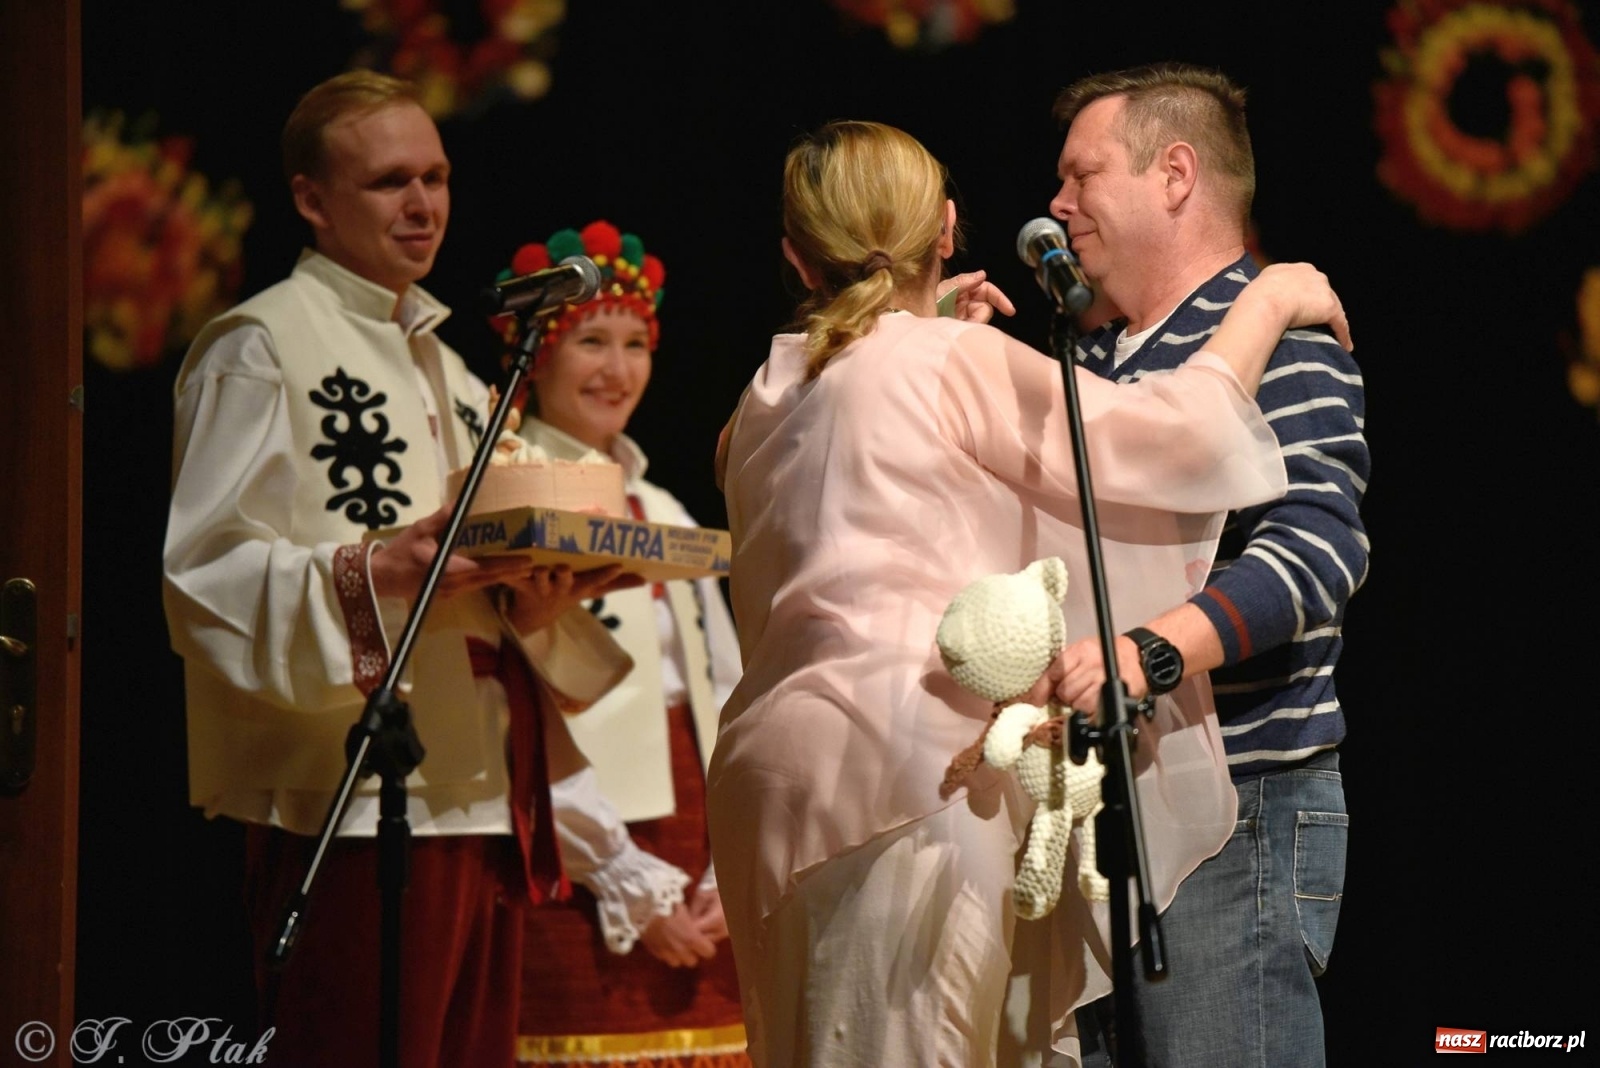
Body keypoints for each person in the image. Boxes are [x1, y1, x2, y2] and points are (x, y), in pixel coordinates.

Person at [706, 119, 1353, 1068]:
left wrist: (925, 331)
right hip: (903, 773)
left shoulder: (757, 402)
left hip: (764, 784)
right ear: (947, 228)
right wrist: (1271, 297)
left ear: (797, 257)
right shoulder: (947, 359)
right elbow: (1174, 438)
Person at [161, 71, 637, 1068]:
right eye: (390, 182)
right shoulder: (258, 345)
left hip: (481, 782)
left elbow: (475, 566)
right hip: (350, 799)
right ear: (311, 198)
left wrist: (538, 591)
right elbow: (205, 577)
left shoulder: (450, 369)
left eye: (436, 177)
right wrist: (380, 569)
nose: (423, 206)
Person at [1045, 63, 1369, 1068]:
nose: (1058, 205)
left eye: (1082, 176)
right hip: (1105, 818)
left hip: (1239, 811)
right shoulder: (1092, 362)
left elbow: (1316, 549)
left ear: (1174, 175)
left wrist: (1150, 652)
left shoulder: (1283, 333)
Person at [487, 221, 750, 1067]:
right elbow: (507, 713)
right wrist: (625, 877)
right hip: (575, 846)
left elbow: (730, 687)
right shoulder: (505, 498)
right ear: (537, 356)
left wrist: (728, 865)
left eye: (635, 344)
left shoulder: (662, 507)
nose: (618, 369)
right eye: (591, 341)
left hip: (697, 841)